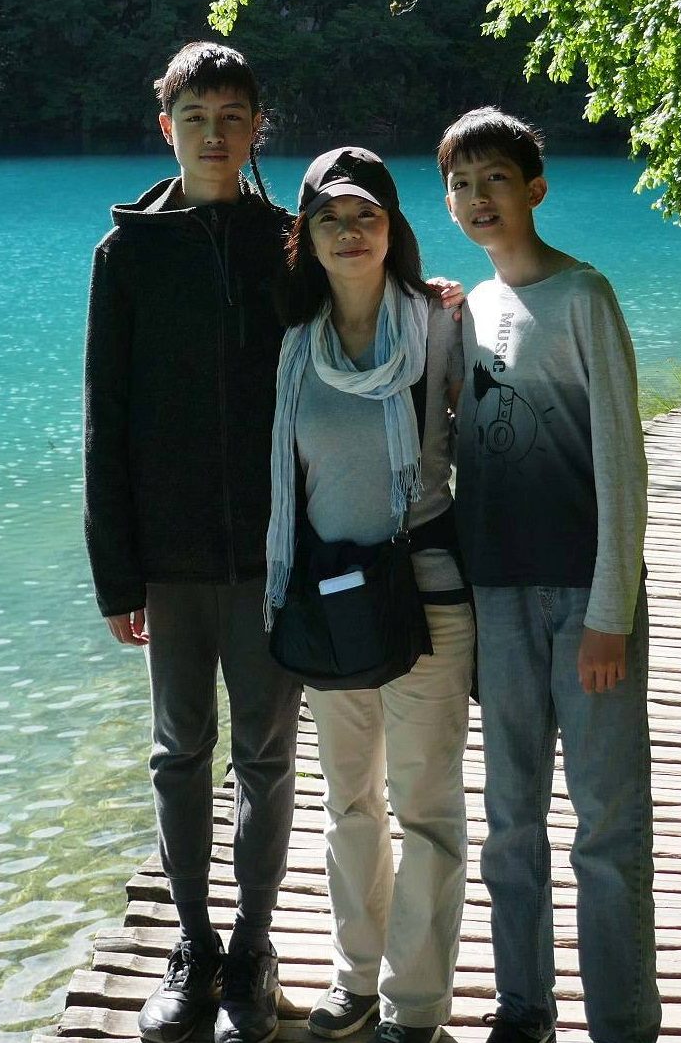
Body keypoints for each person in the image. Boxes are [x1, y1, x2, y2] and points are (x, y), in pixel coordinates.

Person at [83, 40, 298, 1043]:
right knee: (179, 756)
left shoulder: (290, 243)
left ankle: (253, 947)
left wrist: (428, 306)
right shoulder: (125, 254)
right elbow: (104, 420)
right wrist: (113, 572)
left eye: (232, 115)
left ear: (258, 125)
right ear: (164, 125)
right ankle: (192, 942)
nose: (214, 135)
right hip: (166, 560)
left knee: (262, 756)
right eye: (194, 115)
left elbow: (350, 348)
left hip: (268, 557)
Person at [438, 107, 659, 1043]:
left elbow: (622, 460)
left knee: (605, 823)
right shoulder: (472, 311)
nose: (477, 198)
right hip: (495, 593)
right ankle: (522, 1005)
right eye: (459, 183)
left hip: (583, 599)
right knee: (509, 817)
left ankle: (619, 1021)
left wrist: (611, 608)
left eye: (494, 179)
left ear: (534, 188)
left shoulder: (583, 298)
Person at [265, 147, 472, 1043]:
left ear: (393, 230)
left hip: (426, 593)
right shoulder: (292, 351)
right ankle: (354, 978)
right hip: (331, 601)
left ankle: (415, 1005)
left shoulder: (441, 326)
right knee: (349, 802)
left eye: (366, 217)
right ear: (305, 238)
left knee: (425, 806)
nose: (348, 234)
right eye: (328, 219)